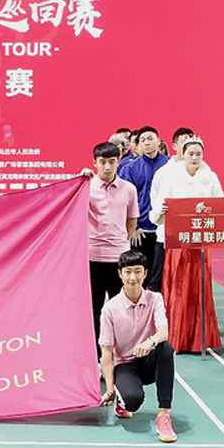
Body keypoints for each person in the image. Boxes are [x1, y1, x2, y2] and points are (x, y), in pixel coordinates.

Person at [150, 136, 224, 353]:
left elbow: (220, 203)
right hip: (178, 244)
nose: (194, 158)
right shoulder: (171, 176)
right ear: (182, 154)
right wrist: (162, 211)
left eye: (198, 154)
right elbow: (156, 212)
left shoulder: (210, 177)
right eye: (190, 154)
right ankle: (176, 338)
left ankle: (199, 339)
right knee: (178, 289)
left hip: (200, 244)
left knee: (199, 290)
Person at [98, 249, 177, 443]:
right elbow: (107, 352)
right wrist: (109, 389)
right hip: (125, 365)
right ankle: (122, 398)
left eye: (138, 271)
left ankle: (164, 415)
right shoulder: (110, 309)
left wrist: (150, 341)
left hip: (148, 361)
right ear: (120, 274)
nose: (133, 277)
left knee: (165, 349)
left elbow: (163, 332)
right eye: (128, 272)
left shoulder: (155, 299)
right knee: (132, 402)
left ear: (145, 273)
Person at [83, 142, 139, 346]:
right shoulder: (86, 187)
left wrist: (121, 242)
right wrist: (81, 178)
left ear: (119, 162)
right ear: (94, 162)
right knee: (93, 307)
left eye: (112, 162)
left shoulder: (129, 189)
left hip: (119, 258)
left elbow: (132, 221)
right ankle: (96, 352)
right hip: (92, 258)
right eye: (103, 162)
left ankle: (121, 349)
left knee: (121, 307)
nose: (107, 167)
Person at [144, 127, 195, 292]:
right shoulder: (163, 173)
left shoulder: (203, 172)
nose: (188, 146)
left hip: (194, 237)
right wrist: (161, 212)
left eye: (191, 142)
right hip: (167, 237)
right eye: (184, 142)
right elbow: (155, 205)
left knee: (189, 284)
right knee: (161, 282)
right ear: (174, 146)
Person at [119, 126, 168, 291]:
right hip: (141, 231)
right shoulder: (130, 168)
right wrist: (134, 226)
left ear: (158, 141)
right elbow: (125, 201)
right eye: (143, 140)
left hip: (165, 230)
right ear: (138, 145)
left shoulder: (170, 166)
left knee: (161, 276)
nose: (147, 143)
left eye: (150, 138)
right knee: (140, 275)